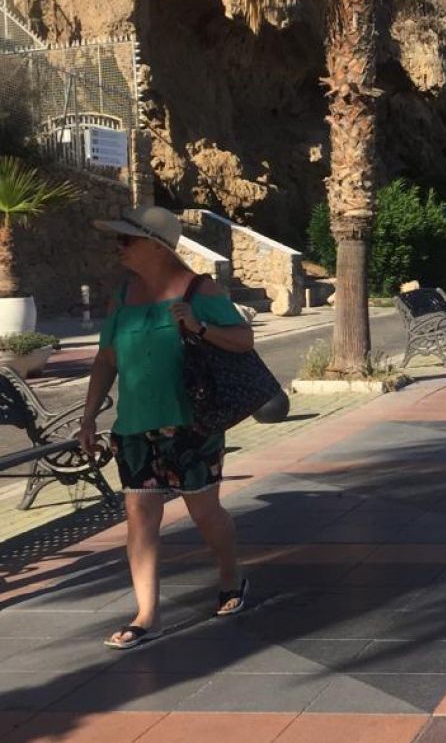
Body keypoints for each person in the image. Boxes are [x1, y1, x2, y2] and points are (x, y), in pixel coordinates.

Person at [79, 206, 251, 650]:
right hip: (135, 425)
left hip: (191, 423)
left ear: (155, 246)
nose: (118, 247)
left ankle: (231, 577)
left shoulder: (199, 289)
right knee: (140, 517)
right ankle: (147, 615)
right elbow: (107, 360)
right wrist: (88, 416)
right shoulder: (122, 295)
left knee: (204, 512)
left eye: (126, 239)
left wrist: (200, 325)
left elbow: (243, 340)